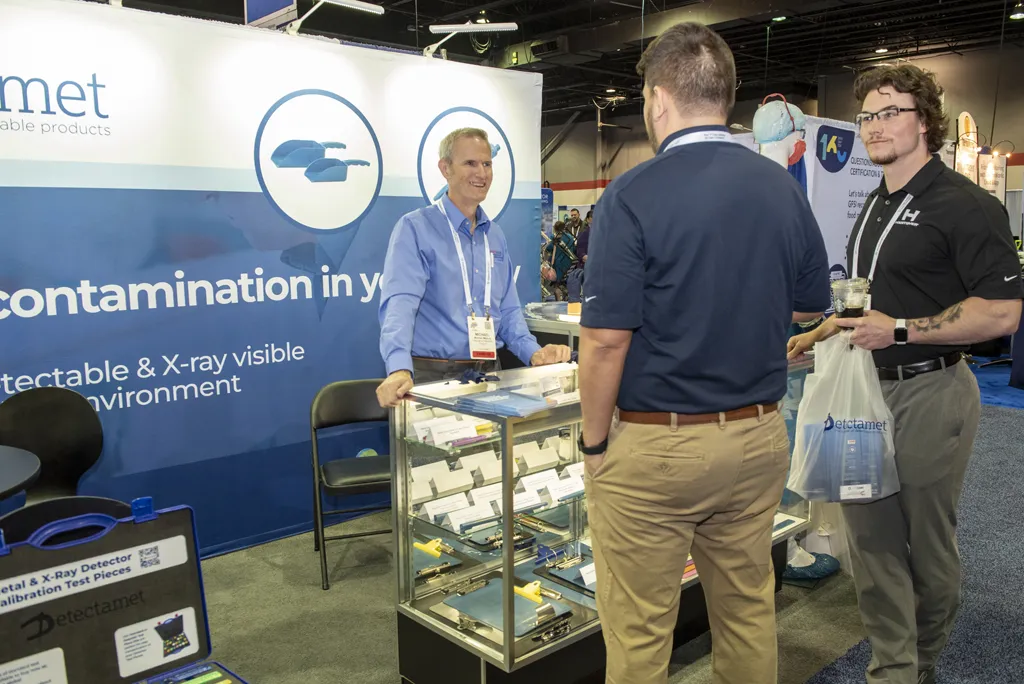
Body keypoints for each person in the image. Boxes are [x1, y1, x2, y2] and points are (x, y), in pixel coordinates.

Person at [578, 22, 830, 684]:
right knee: (748, 612)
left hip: (657, 448)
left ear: (658, 99)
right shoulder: (782, 188)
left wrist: (593, 445)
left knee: (637, 634)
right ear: (727, 95)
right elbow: (810, 305)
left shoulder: (630, 195)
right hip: (755, 437)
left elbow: (606, 340)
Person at [788, 65, 1023, 684]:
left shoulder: (967, 205)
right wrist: (817, 334)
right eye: (867, 114)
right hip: (861, 392)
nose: (875, 125)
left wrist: (898, 330)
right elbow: (865, 300)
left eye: (890, 111)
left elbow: (999, 311)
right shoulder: (873, 203)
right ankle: (893, 667)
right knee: (869, 542)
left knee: (926, 544)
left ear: (925, 121)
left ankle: (922, 660)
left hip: (930, 392)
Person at [376, 128, 571, 406]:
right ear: (445, 168)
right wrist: (397, 367)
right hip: (433, 377)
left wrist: (533, 352)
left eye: (487, 163)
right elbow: (399, 304)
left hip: (489, 373)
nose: (481, 173)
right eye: (470, 163)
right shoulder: (415, 228)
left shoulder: (495, 235)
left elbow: (508, 310)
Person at [543, 220, 577, 301]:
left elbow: (548, 249)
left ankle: (558, 301)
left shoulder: (555, 238)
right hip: (569, 264)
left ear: (555, 228)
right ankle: (567, 297)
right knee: (566, 282)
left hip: (558, 264)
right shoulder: (570, 237)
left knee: (557, 284)